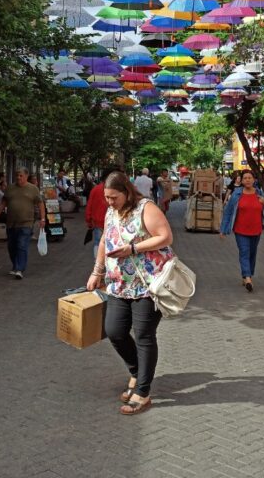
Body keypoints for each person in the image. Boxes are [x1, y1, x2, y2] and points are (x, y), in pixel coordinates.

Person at [86, 171, 174, 416]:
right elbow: (105, 239)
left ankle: (143, 392)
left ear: (126, 192)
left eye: (114, 197)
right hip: (118, 284)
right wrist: (97, 271)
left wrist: (132, 249)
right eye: (107, 197)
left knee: (144, 335)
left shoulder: (146, 208)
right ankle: (136, 372)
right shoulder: (111, 210)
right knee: (114, 331)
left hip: (147, 284)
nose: (109, 202)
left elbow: (165, 237)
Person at [219, 169, 264, 292]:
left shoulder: (259, 194)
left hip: (256, 229)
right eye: (245, 178)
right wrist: (223, 229)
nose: (247, 180)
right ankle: (248, 278)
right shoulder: (237, 194)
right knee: (244, 252)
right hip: (240, 230)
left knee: (252, 254)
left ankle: (247, 274)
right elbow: (228, 212)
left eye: (249, 178)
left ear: (254, 180)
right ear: (241, 181)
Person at [0, 168, 46, 279]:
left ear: (26, 175)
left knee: (22, 245)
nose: (18, 178)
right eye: (17, 176)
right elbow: (3, 203)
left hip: (26, 223)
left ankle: (20, 269)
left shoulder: (33, 189)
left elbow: (40, 204)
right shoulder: (10, 188)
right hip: (11, 223)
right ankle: (15, 266)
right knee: (12, 247)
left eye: (21, 175)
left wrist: (42, 219)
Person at [85, 168, 112, 255]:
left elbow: (89, 205)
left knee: (98, 242)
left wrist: (89, 220)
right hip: (110, 222)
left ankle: (97, 263)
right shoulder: (115, 190)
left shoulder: (95, 189)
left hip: (97, 222)